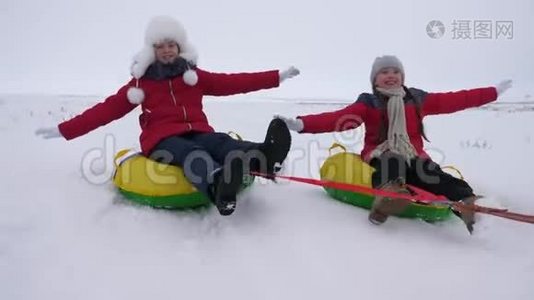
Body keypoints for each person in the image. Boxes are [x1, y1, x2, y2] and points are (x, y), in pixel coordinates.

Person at [35, 15, 300, 216]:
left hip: (198, 129)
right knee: (192, 153)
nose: (166, 50)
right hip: (161, 140)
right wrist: (65, 129)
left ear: (179, 47)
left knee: (220, 142)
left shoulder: (194, 77)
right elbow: (105, 110)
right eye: (160, 46)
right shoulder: (140, 86)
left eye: (171, 44)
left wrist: (275, 77)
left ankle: (264, 156)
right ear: (152, 50)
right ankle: (219, 186)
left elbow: (234, 82)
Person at [276, 55, 512, 233]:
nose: (391, 75)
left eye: (395, 71)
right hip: (382, 153)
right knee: (391, 160)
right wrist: (301, 124)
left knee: (430, 172)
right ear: (374, 79)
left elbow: (453, 100)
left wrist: (492, 93)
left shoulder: (417, 99)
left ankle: (468, 204)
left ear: (402, 76)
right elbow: (339, 119)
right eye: (384, 72)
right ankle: (389, 197)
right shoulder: (368, 102)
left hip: (415, 155)